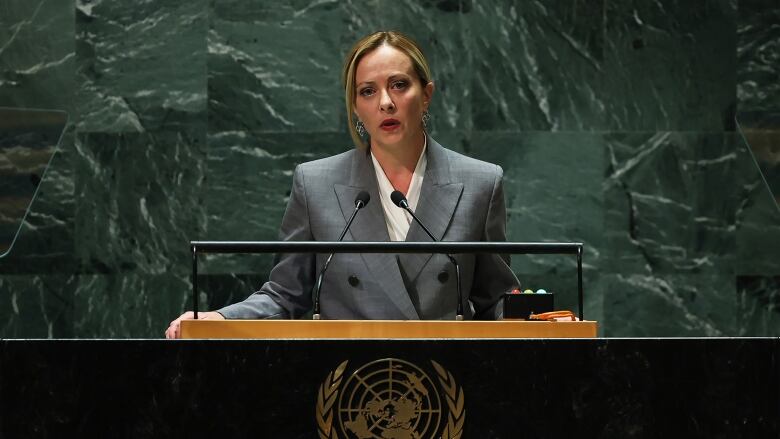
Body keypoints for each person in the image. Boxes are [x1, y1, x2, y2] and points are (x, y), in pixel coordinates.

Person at [165, 31, 519, 339]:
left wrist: (550, 323)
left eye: (399, 85)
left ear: (426, 94)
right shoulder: (315, 183)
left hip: (444, 385)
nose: (385, 102)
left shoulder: (480, 183)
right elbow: (285, 294)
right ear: (355, 107)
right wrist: (219, 320)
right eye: (368, 91)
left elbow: (497, 300)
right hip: (347, 385)